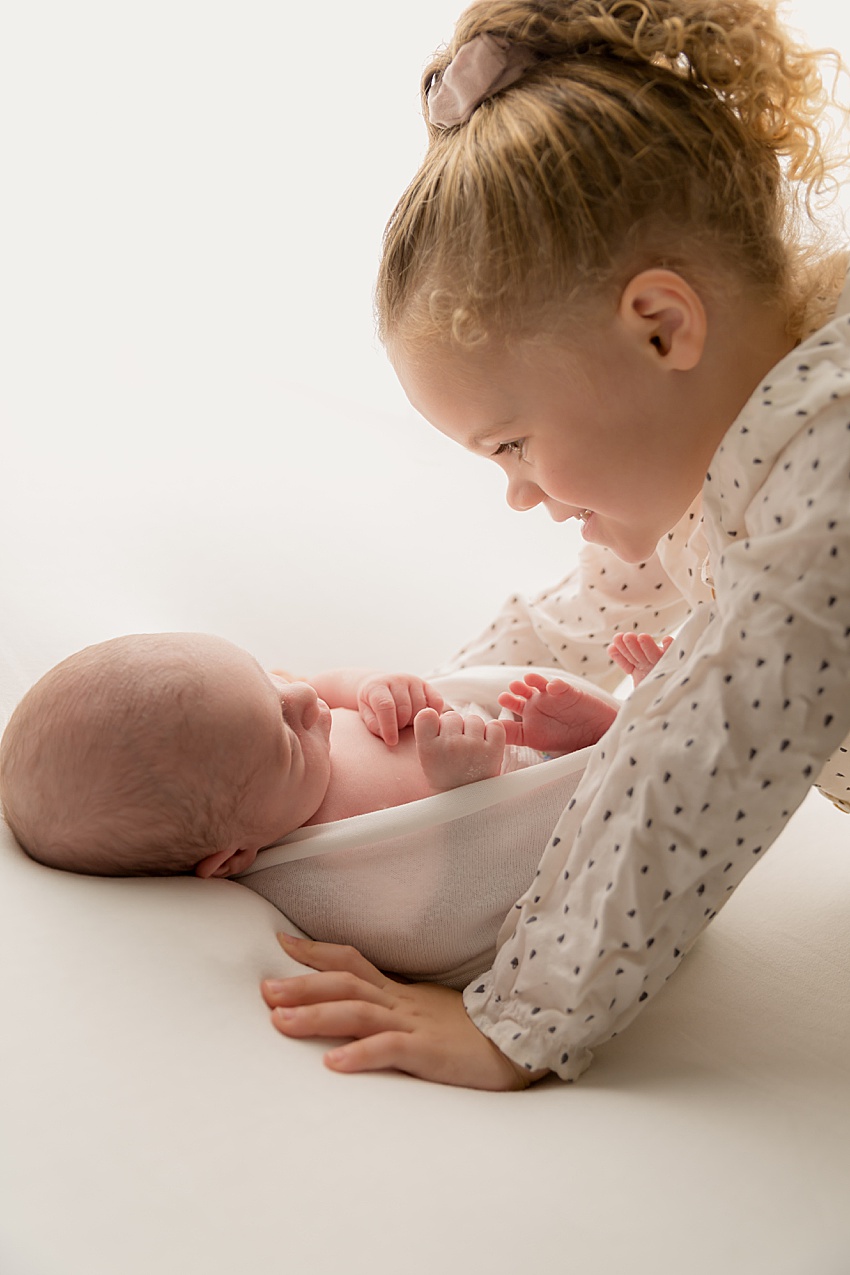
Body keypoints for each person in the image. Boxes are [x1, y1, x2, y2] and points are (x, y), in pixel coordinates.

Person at [260, 0, 850, 1091]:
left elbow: (696, 759)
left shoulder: (827, 471)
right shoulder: (726, 451)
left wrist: (516, 1020)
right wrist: (423, 725)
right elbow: (580, 622)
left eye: (515, 444)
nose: (520, 496)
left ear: (662, 326)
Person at [0, 630, 625, 879]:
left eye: (266, 679)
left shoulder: (261, 720)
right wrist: (461, 789)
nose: (301, 699)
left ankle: (608, 732)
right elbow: (452, 889)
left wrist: (370, 686)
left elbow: (323, 685)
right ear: (231, 858)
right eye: (284, 738)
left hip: (500, 732)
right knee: (604, 804)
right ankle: (613, 742)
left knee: (550, 718)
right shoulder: (318, 859)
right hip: (527, 817)